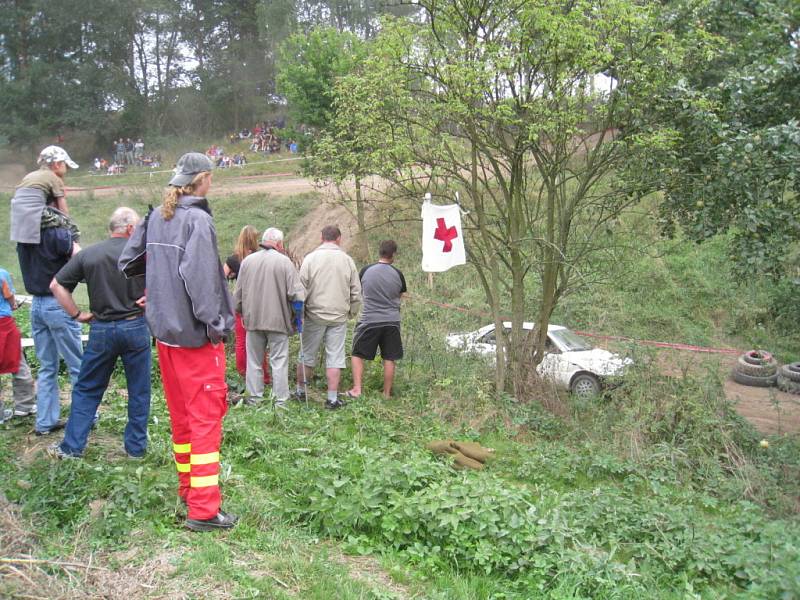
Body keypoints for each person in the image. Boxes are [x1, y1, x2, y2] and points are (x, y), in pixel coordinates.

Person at [119, 152, 237, 532]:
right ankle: (203, 510)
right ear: (203, 180)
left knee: (184, 420)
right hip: (195, 339)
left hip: (165, 337)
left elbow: (128, 262)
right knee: (205, 420)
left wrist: (158, 288)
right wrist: (217, 324)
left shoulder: (157, 216)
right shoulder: (197, 220)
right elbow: (202, 283)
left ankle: (188, 489)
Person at [48, 208, 150, 459]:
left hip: (102, 329)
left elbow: (56, 285)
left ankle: (72, 447)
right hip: (136, 326)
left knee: (87, 388)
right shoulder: (142, 254)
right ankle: (135, 449)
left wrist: (77, 315)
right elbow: (168, 279)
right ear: (129, 229)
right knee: (139, 390)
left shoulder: (89, 254)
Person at [13, 146, 83, 436]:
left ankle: (45, 422)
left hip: (37, 307)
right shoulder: (57, 233)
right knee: (80, 367)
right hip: (58, 303)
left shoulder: (23, 238)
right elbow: (79, 258)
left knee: (47, 368)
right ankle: (83, 421)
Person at [235, 228, 304, 409]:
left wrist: (242, 313)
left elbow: (238, 295)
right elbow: (297, 296)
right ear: (280, 244)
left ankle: (255, 398)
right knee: (279, 361)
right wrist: (298, 319)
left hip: (253, 320)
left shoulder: (248, 262)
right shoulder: (285, 263)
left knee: (254, 361)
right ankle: (280, 401)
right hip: (278, 322)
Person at [295, 226, 361, 410]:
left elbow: (301, 289)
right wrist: (351, 312)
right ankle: (332, 398)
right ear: (339, 239)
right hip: (339, 316)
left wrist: (300, 313)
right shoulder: (347, 261)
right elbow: (356, 291)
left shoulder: (310, 259)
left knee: (307, 354)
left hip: (314, 314)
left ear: (321, 237)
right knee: (335, 357)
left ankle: (301, 391)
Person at [346, 240, 407, 399]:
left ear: (380, 252)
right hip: (392, 322)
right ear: (392, 254)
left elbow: (358, 291)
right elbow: (400, 295)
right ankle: (386, 394)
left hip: (369, 320)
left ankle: (357, 389)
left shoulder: (366, 270)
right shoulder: (398, 274)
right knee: (389, 357)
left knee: (357, 354)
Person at [224, 226, 270, 389]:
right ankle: (263, 376)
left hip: (241, 303)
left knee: (241, 341)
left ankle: (243, 372)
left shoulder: (233, 259)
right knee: (260, 340)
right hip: (259, 303)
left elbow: (221, 279)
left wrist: (233, 278)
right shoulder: (261, 256)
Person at [0, 268, 35, 423]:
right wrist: (14, 305)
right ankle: (24, 405)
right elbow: (10, 298)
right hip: (4, 324)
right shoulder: (2, 274)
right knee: (18, 363)